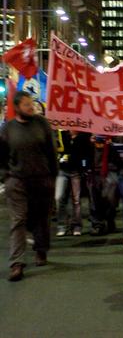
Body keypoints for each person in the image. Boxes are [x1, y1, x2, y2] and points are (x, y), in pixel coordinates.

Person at [0, 91, 58, 282]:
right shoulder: (8, 129)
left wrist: (53, 175)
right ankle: (17, 263)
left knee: (41, 218)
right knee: (18, 220)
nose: (31, 107)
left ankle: (41, 249)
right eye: (26, 105)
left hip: (42, 180)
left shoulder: (42, 124)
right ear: (17, 108)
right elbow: (1, 155)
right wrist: (5, 177)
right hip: (17, 181)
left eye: (31, 104)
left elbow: (51, 151)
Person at [55, 130, 92, 237]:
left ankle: (76, 226)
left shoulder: (83, 136)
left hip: (76, 171)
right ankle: (62, 226)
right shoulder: (61, 135)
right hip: (62, 170)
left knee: (76, 200)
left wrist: (85, 167)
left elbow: (86, 153)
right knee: (59, 198)